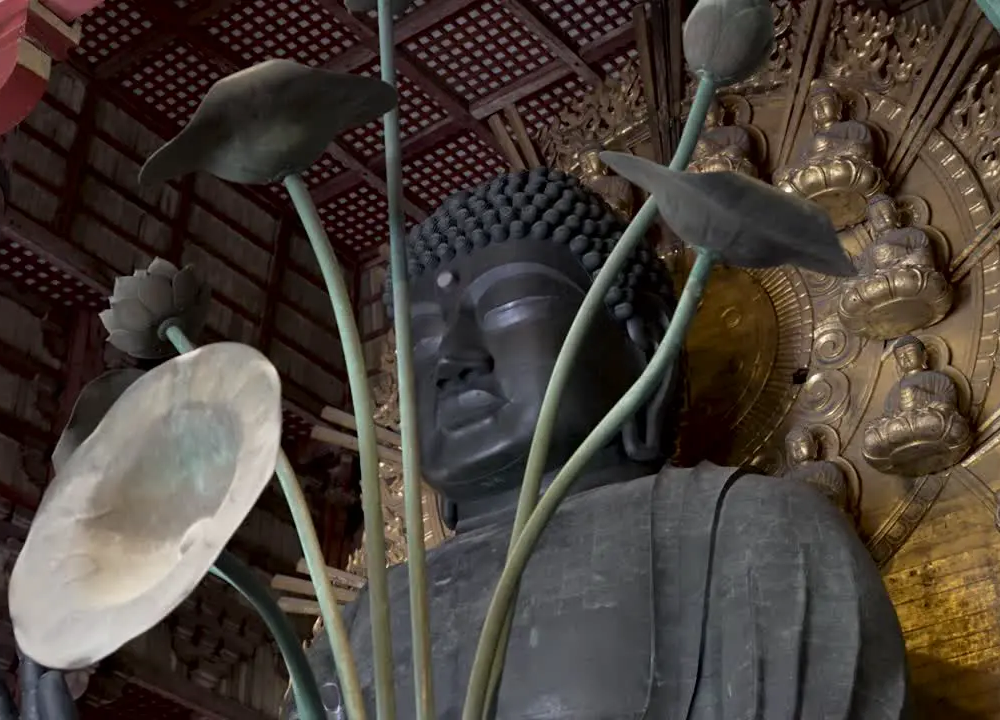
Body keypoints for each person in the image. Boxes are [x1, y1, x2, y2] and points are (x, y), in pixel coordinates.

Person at [305, 167, 910, 718]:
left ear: (643, 345)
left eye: (510, 306)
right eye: (423, 340)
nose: (454, 362)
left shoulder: (753, 531)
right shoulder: (358, 628)